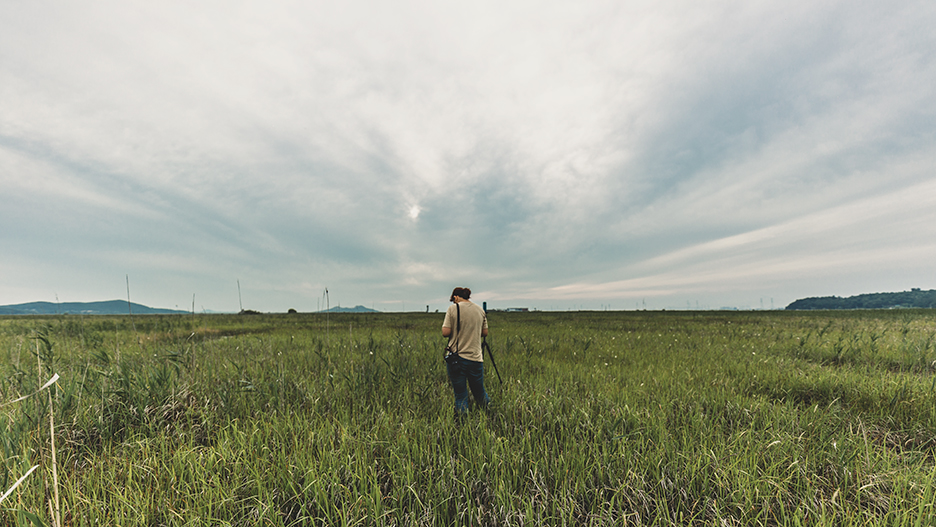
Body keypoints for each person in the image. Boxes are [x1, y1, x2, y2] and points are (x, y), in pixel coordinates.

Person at [442, 287, 490, 418]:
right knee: (480, 392)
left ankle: (463, 424)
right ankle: (488, 415)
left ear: (456, 297)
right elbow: (484, 333)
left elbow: (445, 332)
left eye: (453, 300)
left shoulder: (453, 309)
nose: (453, 302)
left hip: (457, 359)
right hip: (476, 359)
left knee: (461, 396)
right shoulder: (480, 310)